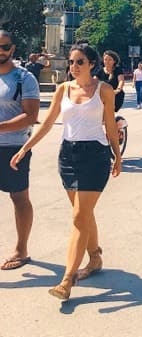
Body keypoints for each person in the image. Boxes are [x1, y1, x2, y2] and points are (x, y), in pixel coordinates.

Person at [10, 42, 121, 301]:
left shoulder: (104, 90)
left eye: (79, 61)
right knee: (82, 214)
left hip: (95, 155)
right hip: (68, 156)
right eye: (72, 62)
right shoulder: (62, 89)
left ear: (92, 64)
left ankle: (66, 280)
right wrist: (25, 148)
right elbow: (48, 123)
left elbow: (110, 124)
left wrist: (117, 155)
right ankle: (94, 258)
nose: (74, 66)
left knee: (79, 218)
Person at [0, 31, 40, 271]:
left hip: (14, 148)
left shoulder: (23, 78)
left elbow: (32, 116)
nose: (0, 52)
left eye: (4, 47)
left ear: (12, 49)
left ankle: (21, 249)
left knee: (19, 198)